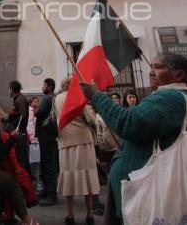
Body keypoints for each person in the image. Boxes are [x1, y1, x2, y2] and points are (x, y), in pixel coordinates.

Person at [80, 53, 187, 224]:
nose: (151, 72)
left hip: (146, 192)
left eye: (158, 67)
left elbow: (129, 124)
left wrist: (97, 96)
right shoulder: (173, 97)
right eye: (151, 66)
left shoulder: (170, 97)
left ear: (179, 75)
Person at [54, 78, 100, 225]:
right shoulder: (78, 96)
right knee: (87, 175)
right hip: (83, 141)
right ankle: (89, 214)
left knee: (68, 176)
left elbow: (56, 118)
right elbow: (91, 119)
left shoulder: (57, 99)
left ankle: (70, 214)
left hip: (64, 141)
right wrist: (93, 113)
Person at [35, 78, 58, 206]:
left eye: (44, 85)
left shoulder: (47, 98)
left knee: (48, 164)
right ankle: (46, 190)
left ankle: (51, 194)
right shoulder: (53, 98)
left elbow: (39, 113)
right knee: (46, 163)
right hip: (49, 135)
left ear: (49, 86)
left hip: (46, 135)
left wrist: (36, 109)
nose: (42, 87)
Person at [8, 80, 30, 173]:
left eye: (9, 89)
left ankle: (24, 182)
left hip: (20, 133)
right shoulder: (18, 99)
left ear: (12, 89)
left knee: (21, 158)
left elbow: (23, 116)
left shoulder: (20, 99)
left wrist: (14, 126)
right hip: (20, 132)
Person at [27, 96, 42, 191]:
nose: (37, 103)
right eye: (35, 101)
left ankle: (35, 182)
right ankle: (35, 182)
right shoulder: (30, 111)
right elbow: (30, 125)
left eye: (38, 101)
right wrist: (32, 137)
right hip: (33, 140)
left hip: (36, 140)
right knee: (34, 163)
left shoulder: (35, 111)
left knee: (36, 163)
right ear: (31, 102)